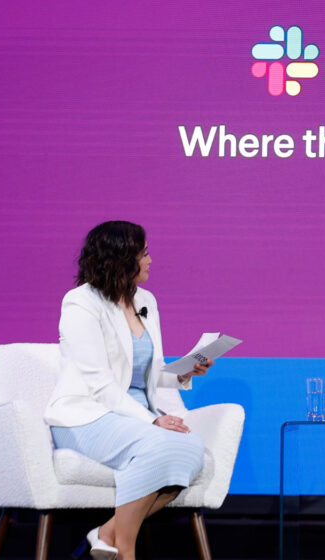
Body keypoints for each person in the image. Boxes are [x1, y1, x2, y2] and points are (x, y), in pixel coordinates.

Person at [44, 221, 213, 560]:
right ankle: (126, 550)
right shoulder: (80, 303)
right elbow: (101, 384)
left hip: (139, 414)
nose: (151, 260)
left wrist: (184, 373)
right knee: (160, 445)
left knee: (191, 448)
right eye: (144, 253)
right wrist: (152, 424)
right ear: (121, 259)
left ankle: (106, 533)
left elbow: (151, 372)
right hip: (87, 415)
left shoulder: (145, 300)